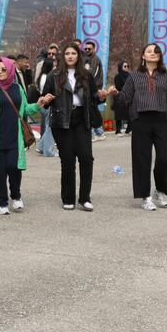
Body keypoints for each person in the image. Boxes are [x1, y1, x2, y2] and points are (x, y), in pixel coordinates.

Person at [109, 44, 167, 210]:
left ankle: (160, 190)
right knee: (142, 159)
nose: (153, 53)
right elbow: (125, 98)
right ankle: (145, 196)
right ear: (143, 56)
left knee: (164, 156)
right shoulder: (134, 76)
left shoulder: (166, 76)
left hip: (163, 119)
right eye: (149, 51)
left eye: (156, 51)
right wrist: (115, 95)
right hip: (141, 120)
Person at [35, 43, 106, 211]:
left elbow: (94, 97)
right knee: (67, 161)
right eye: (67, 53)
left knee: (86, 158)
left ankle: (85, 198)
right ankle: (68, 198)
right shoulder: (54, 75)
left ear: (78, 56)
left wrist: (102, 96)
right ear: (62, 56)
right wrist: (45, 100)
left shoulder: (86, 75)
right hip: (62, 120)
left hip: (82, 118)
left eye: (73, 53)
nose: (70, 56)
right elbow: (45, 98)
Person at [0, 57, 41, 216]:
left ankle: (16, 196)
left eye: (3, 69)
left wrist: (39, 104)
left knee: (14, 167)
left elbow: (25, 110)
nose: (0, 72)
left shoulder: (18, 88)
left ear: (11, 70)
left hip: (14, 137)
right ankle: (2, 202)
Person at [35, 43, 60, 157]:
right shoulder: (49, 77)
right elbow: (48, 91)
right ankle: (48, 150)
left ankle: (41, 146)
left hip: (44, 103)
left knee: (48, 127)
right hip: (48, 104)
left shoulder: (42, 76)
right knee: (50, 127)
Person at [111, 60, 131, 136]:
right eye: (125, 66)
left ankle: (128, 130)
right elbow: (118, 86)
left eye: (127, 66)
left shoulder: (130, 75)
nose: (127, 68)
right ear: (121, 67)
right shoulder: (118, 76)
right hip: (120, 97)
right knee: (119, 115)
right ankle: (118, 130)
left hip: (129, 97)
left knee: (129, 114)